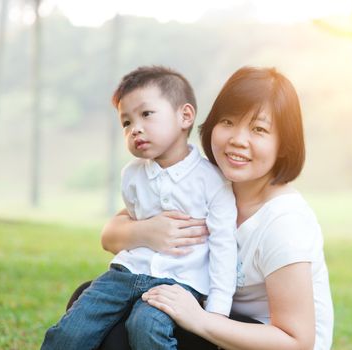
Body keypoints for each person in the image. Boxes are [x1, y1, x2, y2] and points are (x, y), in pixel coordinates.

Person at [100, 66, 334, 349]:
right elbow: (110, 236)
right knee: (91, 300)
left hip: (260, 336)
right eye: (228, 122)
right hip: (216, 314)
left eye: (259, 129)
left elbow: (297, 342)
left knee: (125, 333)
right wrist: (148, 232)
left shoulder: (284, 222)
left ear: (284, 144)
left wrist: (199, 319)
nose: (238, 139)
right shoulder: (209, 181)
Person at [41, 66, 238, 350]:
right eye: (126, 122)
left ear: (185, 116)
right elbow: (129, 222)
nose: (136, 129)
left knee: (146, 326)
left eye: (146, 114)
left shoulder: (213, 180)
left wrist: (217, 311)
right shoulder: (132, 176)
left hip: (179, 282)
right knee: (73, 328)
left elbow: (223, 244)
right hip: (125, 274)